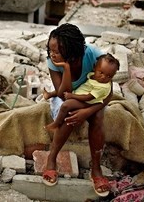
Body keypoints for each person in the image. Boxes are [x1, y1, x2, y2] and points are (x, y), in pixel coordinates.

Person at [41, 23, 114, 197]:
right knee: (68, 115)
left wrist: (87, 112)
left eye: (57, 51)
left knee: (97, 118)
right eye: (50, 50)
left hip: (91, 98)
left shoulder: (95, 56)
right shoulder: (53, 62)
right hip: (68, 97)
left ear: (72, 49)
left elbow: (108, 94)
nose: (52, 54)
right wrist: (65, 67)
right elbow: (62, 93)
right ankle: (52, 158)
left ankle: (95, 169)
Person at [45, 53, 119, 132]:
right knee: (62, 91)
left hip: (88, 102)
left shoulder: (103, 87)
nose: (103, 77)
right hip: (80, 94)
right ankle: (49, 94)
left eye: (109, 76)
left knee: (65, 106)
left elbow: (88, 97)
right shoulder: (93, 75)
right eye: (101, 72)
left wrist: (72, 96)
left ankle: (56, 124)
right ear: (94, 68)